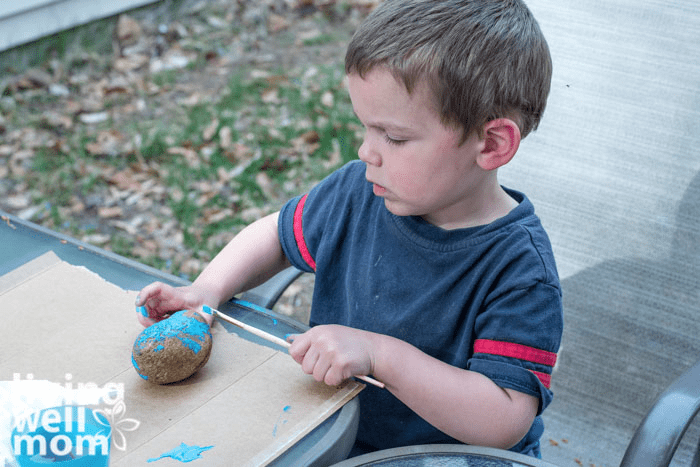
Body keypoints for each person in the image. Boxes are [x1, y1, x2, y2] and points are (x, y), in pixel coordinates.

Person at [135, 0, 563, 459]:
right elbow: (276, 235)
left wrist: (380, 355)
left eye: (394, 138)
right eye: (365, 128)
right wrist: (208, 289)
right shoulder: (359, 193)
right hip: (333, 435)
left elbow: (502, 420)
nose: (366, 152)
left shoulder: (520, 272)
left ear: (492, 143)